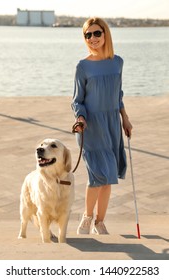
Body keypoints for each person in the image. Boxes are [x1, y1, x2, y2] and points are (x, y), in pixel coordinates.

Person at [71, 17, 133, 235]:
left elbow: (118, 95)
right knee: (96, 175)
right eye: (88, 35)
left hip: (111, 125)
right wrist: (80, 118)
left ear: (105, 34)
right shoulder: (83, 66)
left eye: (97, 33)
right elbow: (77, 100)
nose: (93, 38)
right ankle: (87, 218)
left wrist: (124, 118)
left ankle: (100, 221)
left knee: (108, 176)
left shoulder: (118, 62)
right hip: (90, 127)